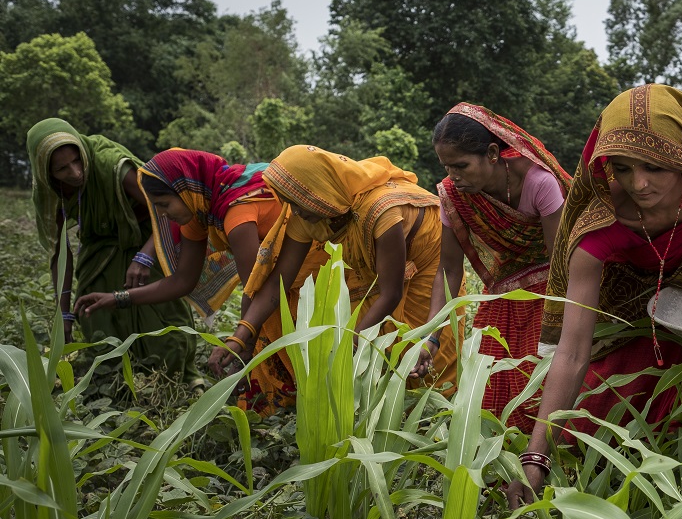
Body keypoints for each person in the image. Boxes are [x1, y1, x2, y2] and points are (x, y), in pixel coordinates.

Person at [506, 84, 682, 508]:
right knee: (593, 424)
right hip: (625, 321)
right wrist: (535, 455)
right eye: (622, 168)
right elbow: (572, 351)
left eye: (655, 167)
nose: (639, 184)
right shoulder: (600, 222)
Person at [73, 148, 321, 411]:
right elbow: (182, 281)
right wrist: (117, 298)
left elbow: (256, 289)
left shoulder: (236, 214)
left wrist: (239, 346)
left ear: (185, 188)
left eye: (164, 205)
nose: (163, 215)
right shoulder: (197, 213)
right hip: (280, 286)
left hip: (312, 276)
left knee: (297, 371)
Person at [211, 145, 461, 390]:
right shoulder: (307, 216)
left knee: (425, 352)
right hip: (379, 268)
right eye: (288, 202)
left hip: (429, 255)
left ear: (319, 190)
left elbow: (390, 293)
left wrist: (347, 348)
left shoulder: (379, 211)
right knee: (371, 348)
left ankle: (435, 417)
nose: (294, 211)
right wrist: (239, 337)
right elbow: (278, 284)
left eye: (298, 201)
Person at [414, 103, 571, 429]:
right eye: (446, 167)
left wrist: (561, 326)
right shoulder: (453, 197)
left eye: (461, 166)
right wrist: (430, 337)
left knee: (538, 388)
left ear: (493, 153)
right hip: (501, 297)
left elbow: (561, 262)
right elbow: (449, 270)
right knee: (490, 394)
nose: (454, 177)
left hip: (549, 294)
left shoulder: (540, 182)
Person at [27, 118, 198, 383]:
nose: (75, 173)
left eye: (77, 161)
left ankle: (172, 375)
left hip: (149, 235)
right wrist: (63, 315)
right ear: (47, 173)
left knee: (160, 310)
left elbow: (166, 211)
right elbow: (60, 254)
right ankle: (114, 377)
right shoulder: (51, 192)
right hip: (100, 246)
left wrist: (144, 257)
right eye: (62, 169)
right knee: (95, 309)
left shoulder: (111, 165)